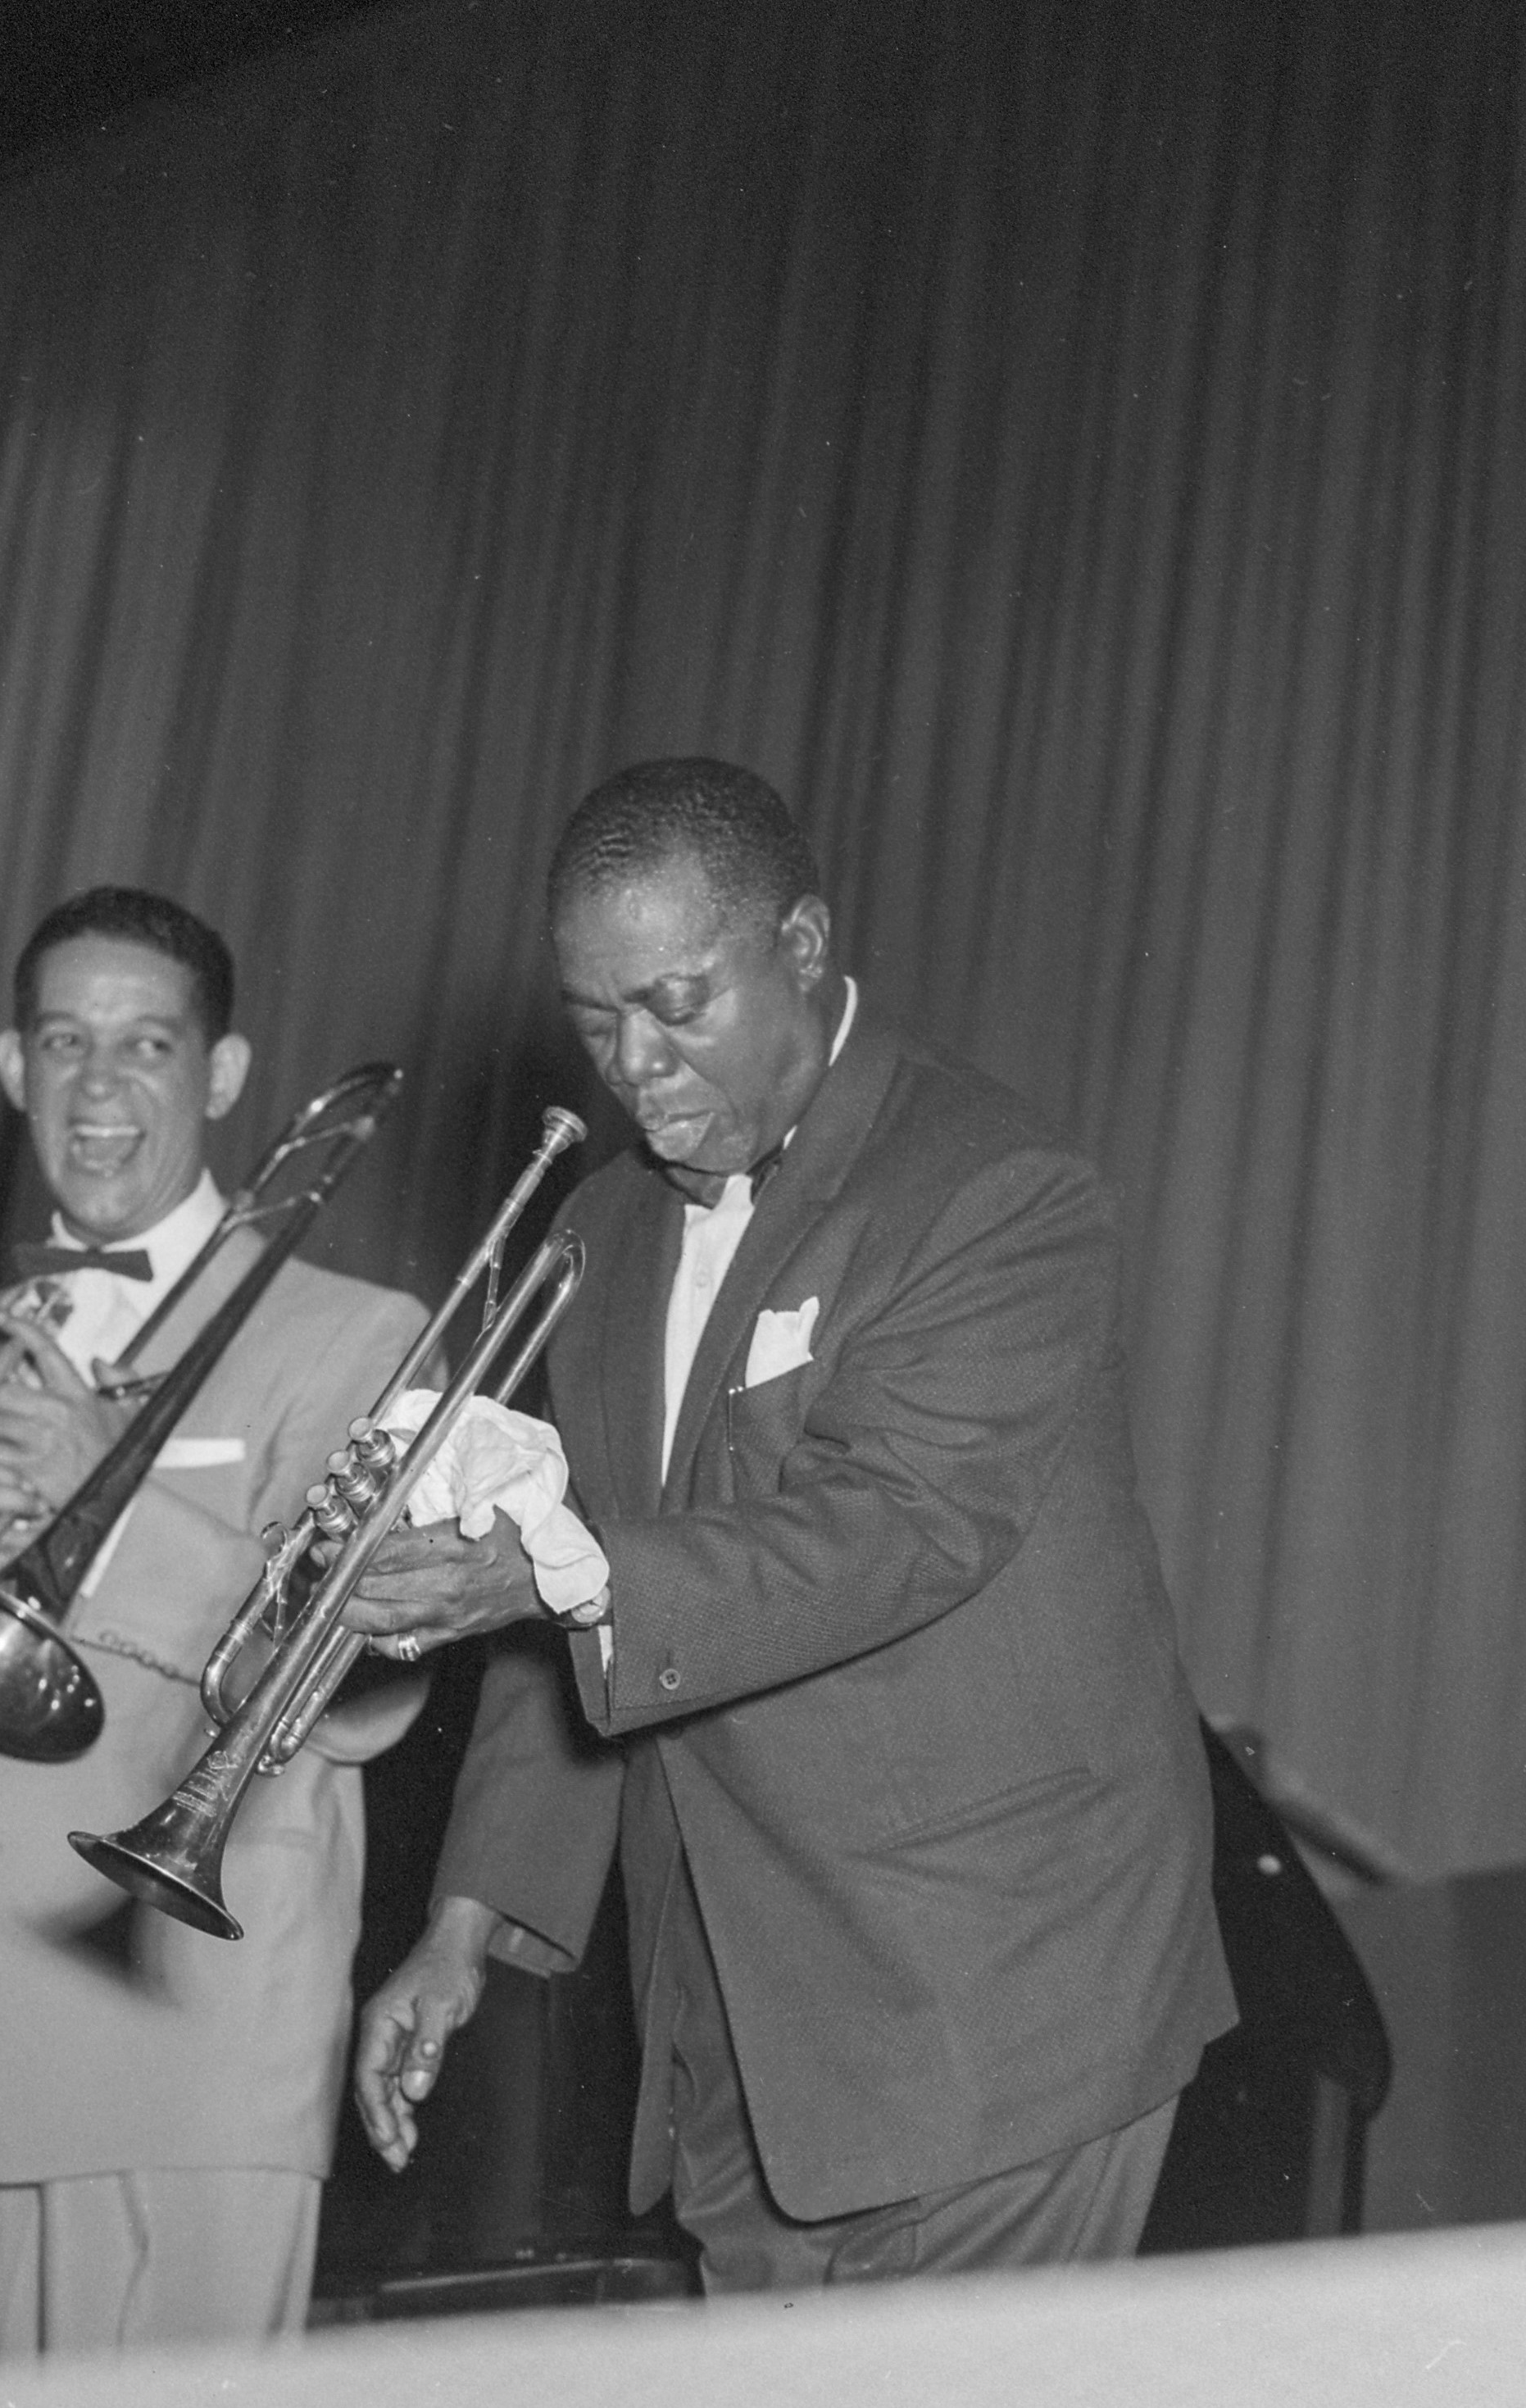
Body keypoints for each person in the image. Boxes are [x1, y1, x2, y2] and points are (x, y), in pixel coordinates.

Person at [330, 756, 1235, 2289]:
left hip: (991, 2005)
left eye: (680, 1001)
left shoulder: (989, 1185)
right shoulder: (597, 1228)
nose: (638, 1061)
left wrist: (543, 1576)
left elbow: (891, 1525)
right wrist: (468, 1919)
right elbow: (569, 1576)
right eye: (597, 1016)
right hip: (745, 2030)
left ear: (804, 943)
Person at [0, 885, 427, 2360]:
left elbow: (355, 1686)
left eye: (146, 1045)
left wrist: (110, 1502)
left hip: (181, 2040)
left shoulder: (352, 1331)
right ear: (12, 1065)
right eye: (65, 1042)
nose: (97, 1086)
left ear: (221, 1076)